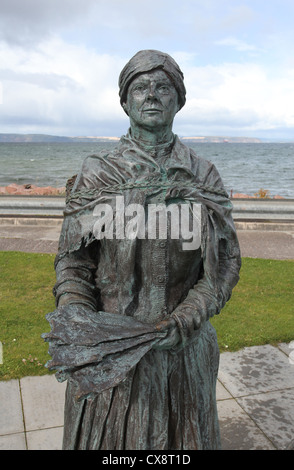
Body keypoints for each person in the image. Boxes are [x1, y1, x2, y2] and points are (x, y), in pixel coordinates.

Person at [43, 50, 241, 450]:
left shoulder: (203, 175)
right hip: (110, 358)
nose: (152, 95)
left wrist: (188, 317)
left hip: (183, 355)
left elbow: (221, 267)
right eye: (140, 88)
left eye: (163, 87)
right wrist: (79, 319)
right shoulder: (98, 172)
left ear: (178, 99)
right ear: (125, 100)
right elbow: (75, 261)